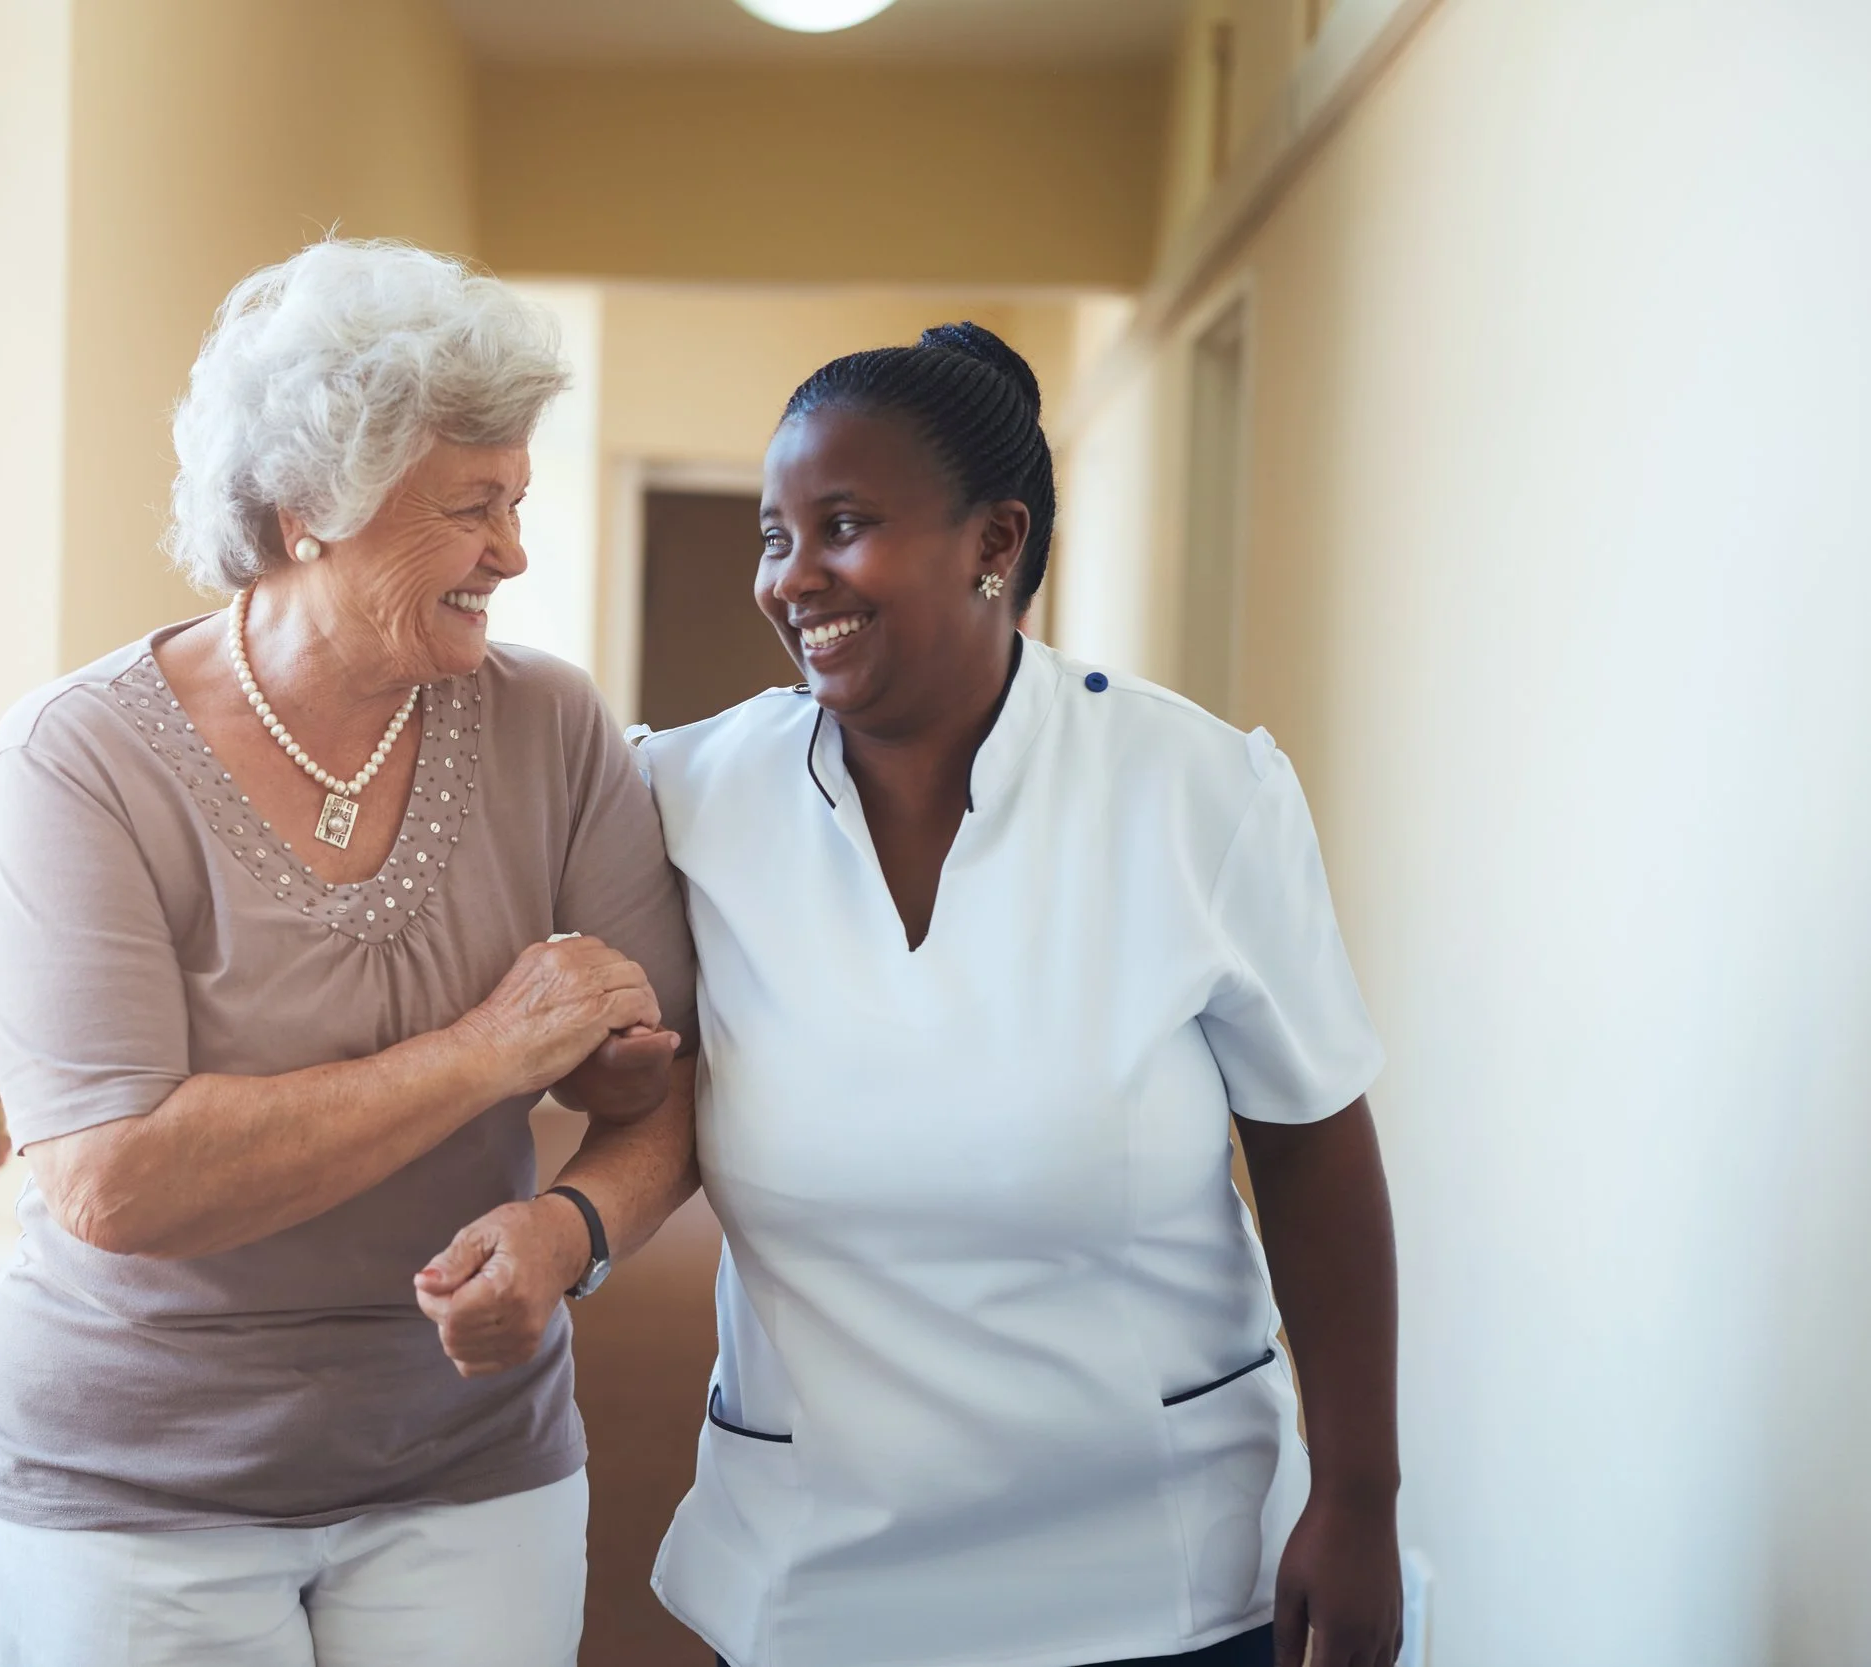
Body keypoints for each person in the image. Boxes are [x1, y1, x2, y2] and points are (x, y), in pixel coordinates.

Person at [425, 323, 1403, 1667]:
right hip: (819, 1575)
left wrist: (1359, 1496)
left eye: (845, 524)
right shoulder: (684, 795)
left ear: (995, 542)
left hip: (1161, 1570)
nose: (792, 577)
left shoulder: (1194, 792)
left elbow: (1313, 1148)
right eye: (776, 534)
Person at [0, 239, 696, 1667]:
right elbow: (116, 1177)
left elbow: (659, 1089)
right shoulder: (78, 761)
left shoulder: (552, 727)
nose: (515, 552)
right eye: (472, 506)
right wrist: (491, 1051)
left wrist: (570, 1224)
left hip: (471, 1457)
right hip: (133, 1488)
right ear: (309, 508)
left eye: (520, 500)